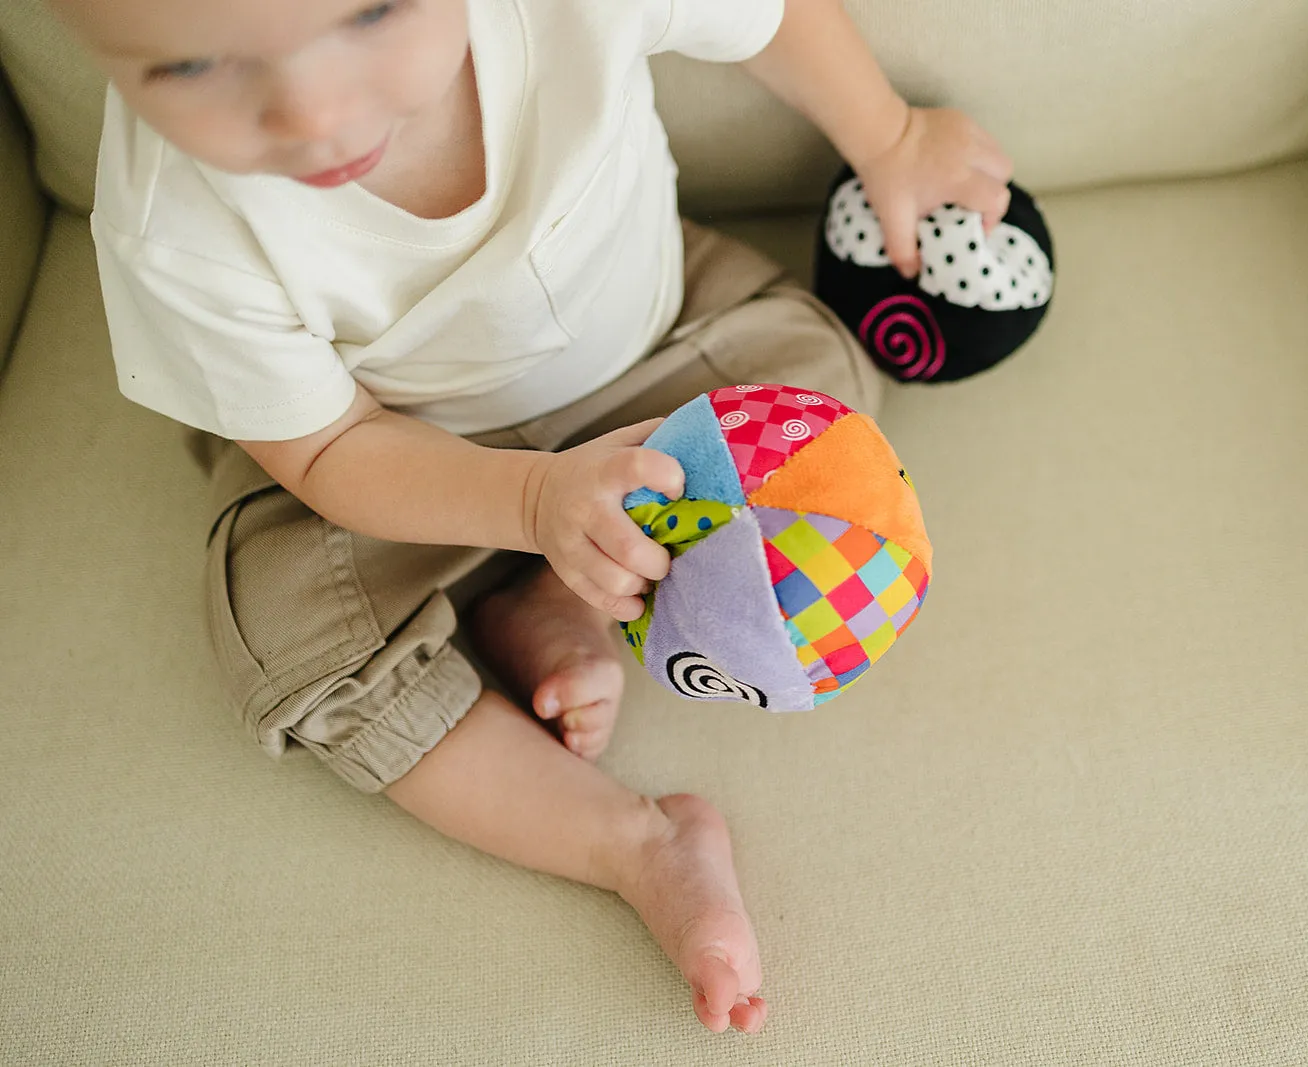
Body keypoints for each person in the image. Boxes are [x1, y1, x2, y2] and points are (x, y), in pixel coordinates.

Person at [52, 0, 1012, 1034]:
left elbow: (769, 14)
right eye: (191, 65)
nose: (311, 113)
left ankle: (566, 593)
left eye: (371, 11)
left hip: (661, 356)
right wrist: (527, 499)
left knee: (821, 399)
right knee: (293, 638)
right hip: (402, 456)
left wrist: (891, 136)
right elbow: (330, 449)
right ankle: (635, 844)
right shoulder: (174, 220)